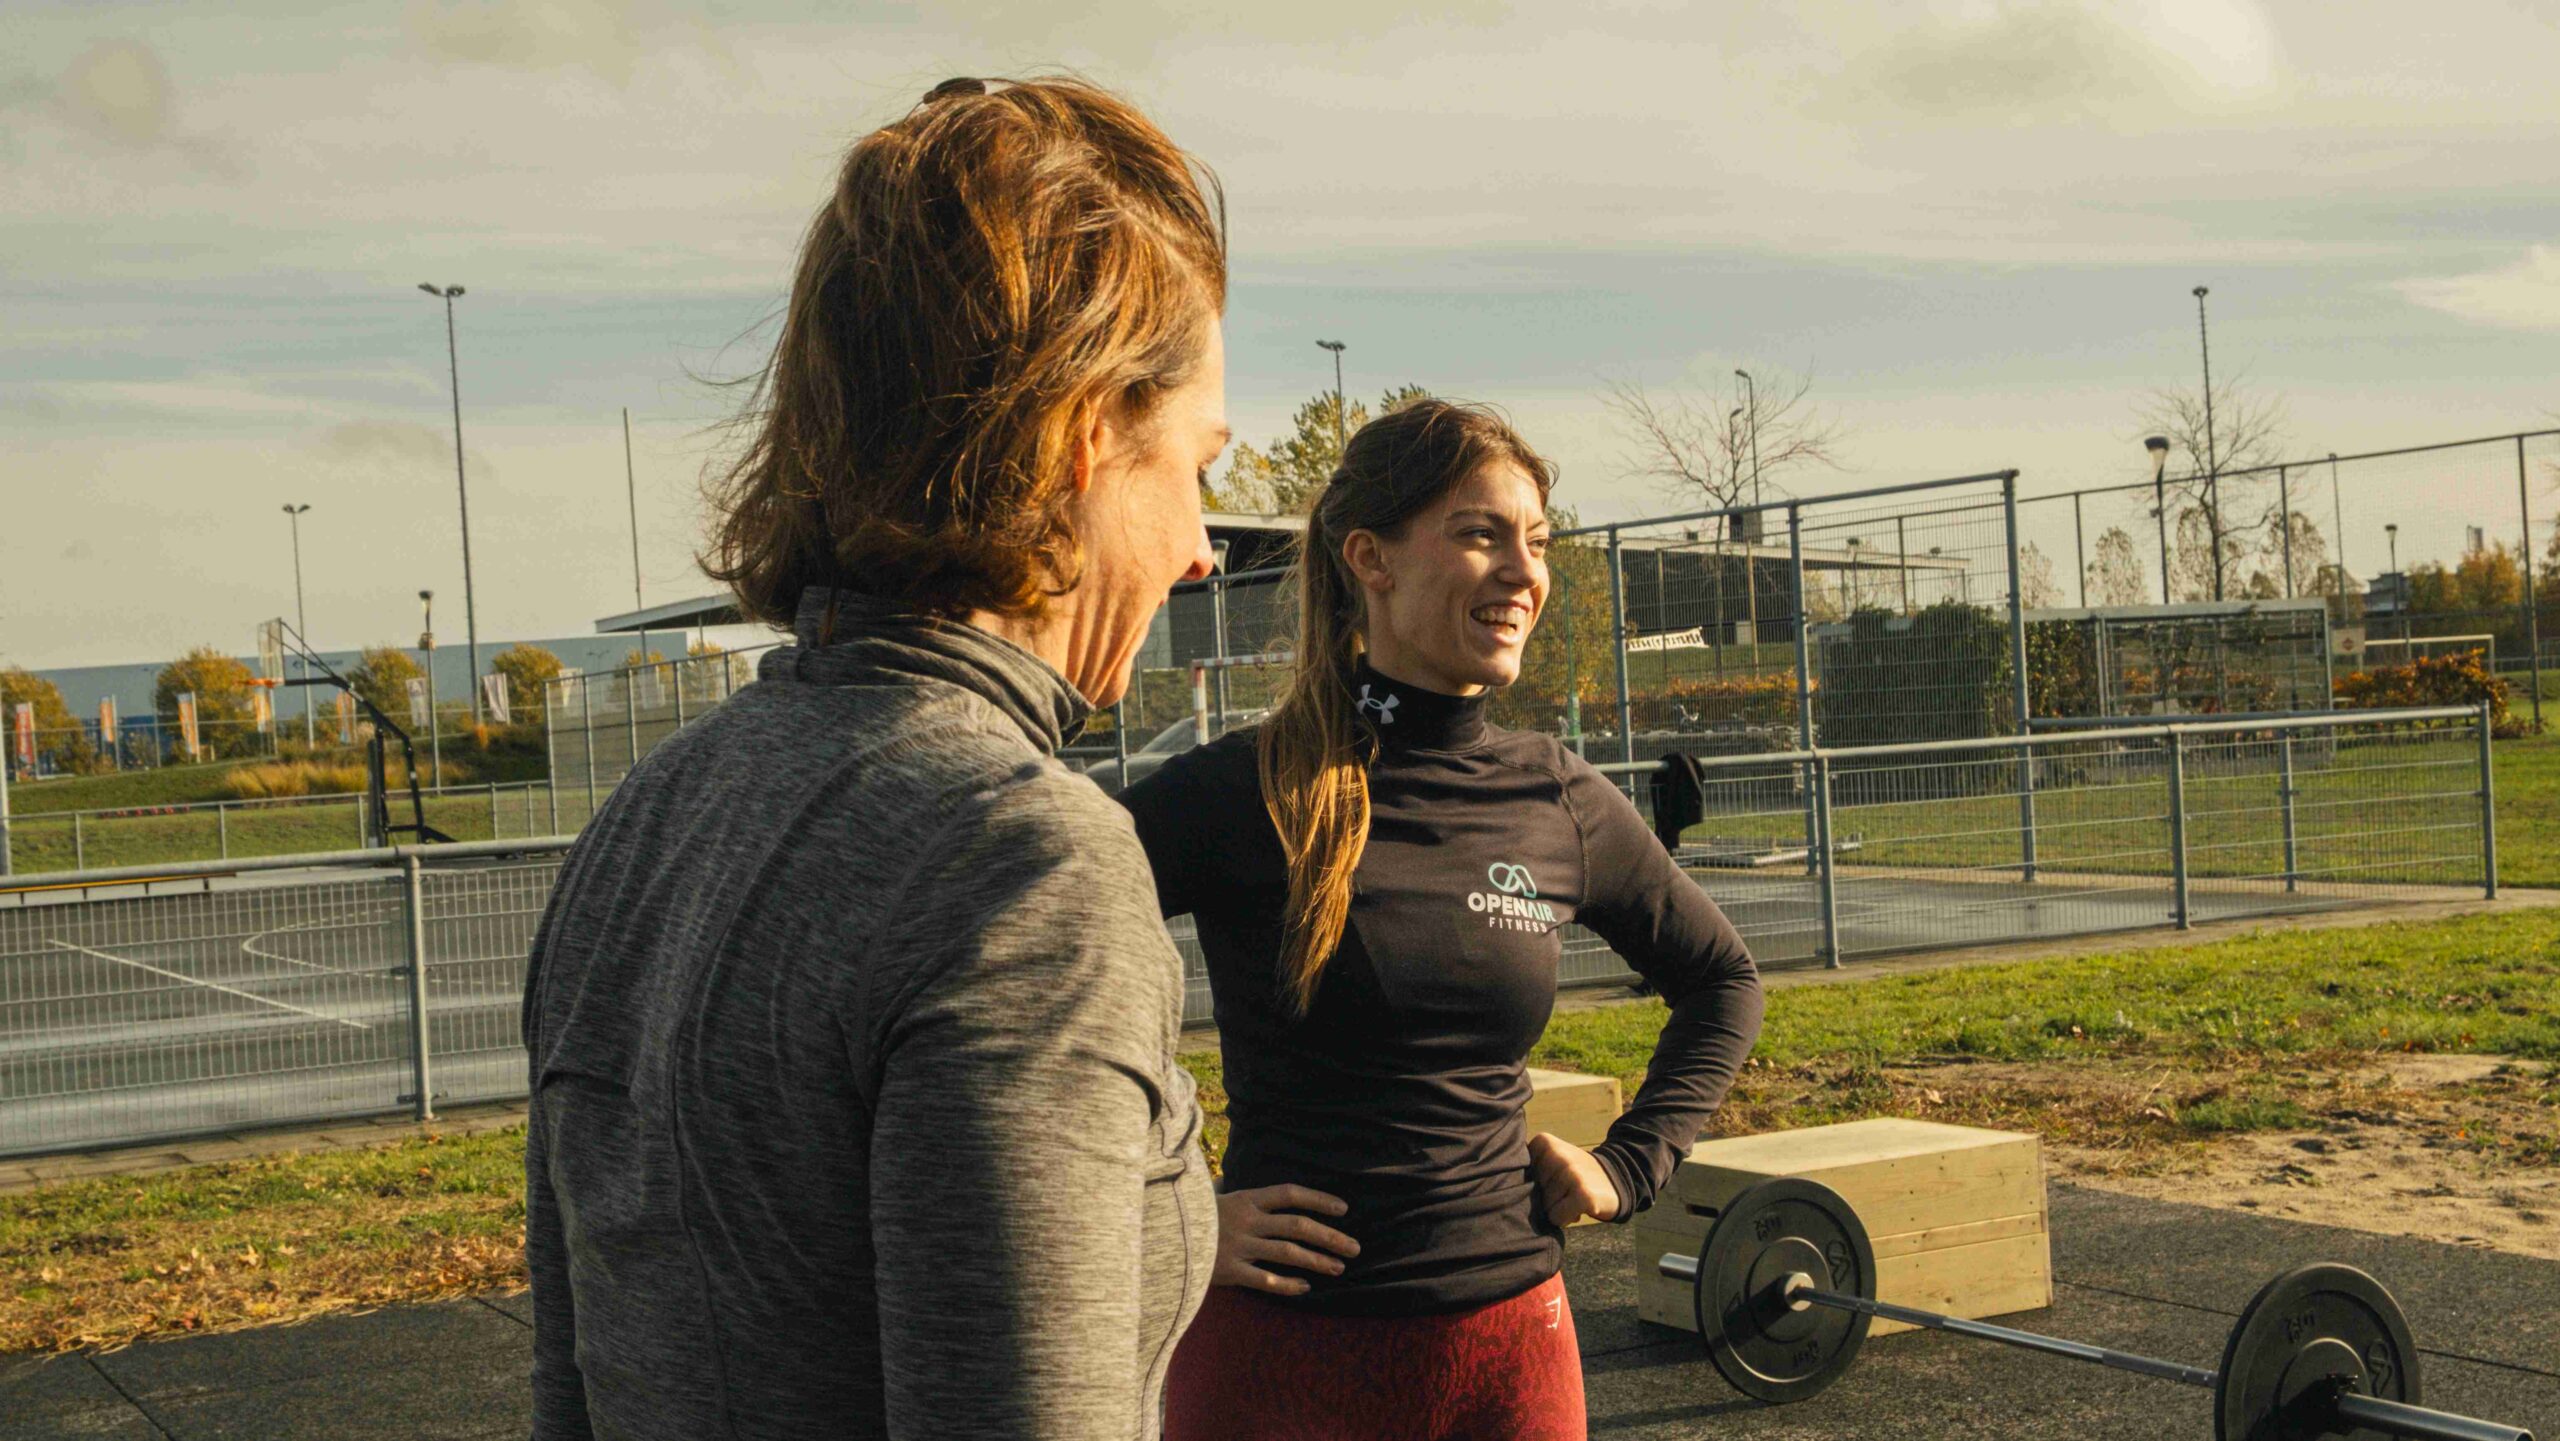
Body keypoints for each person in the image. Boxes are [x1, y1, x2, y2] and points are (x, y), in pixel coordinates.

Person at [521, 76, 1229, 1440]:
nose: (1203, 547)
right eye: (1195, 463)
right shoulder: (1024, 861)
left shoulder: (651, 813)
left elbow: (572, 1388)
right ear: (1085, 436)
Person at [1123, 399, 1766, 1441]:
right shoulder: (1243, 787)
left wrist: (1628, 1165)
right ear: (1370, 557)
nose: (1524, 573)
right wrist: (1170, 1208)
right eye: (1480, 534)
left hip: (1507, 1356)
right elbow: (1015, 964)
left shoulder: (1555, 795)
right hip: (1278, 1362)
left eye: (1536, 543)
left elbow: (1723, 981)